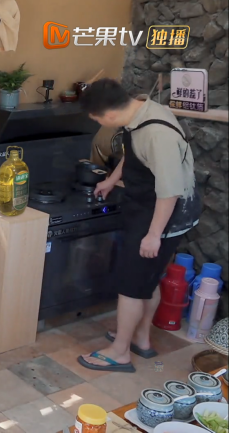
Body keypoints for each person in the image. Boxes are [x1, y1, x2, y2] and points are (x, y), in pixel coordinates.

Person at [77, 78, 200, 373]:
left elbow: (169, 191)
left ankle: (120, 352)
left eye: (97, 120)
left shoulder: (157, 134)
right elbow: (135, 153)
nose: (99, 124)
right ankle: (140, 339)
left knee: (131, 285)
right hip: (149, 206)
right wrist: (110, 179)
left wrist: (154, 235)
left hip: (164, 213)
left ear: (109, 114)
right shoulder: (140, 110)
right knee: (147, 279)